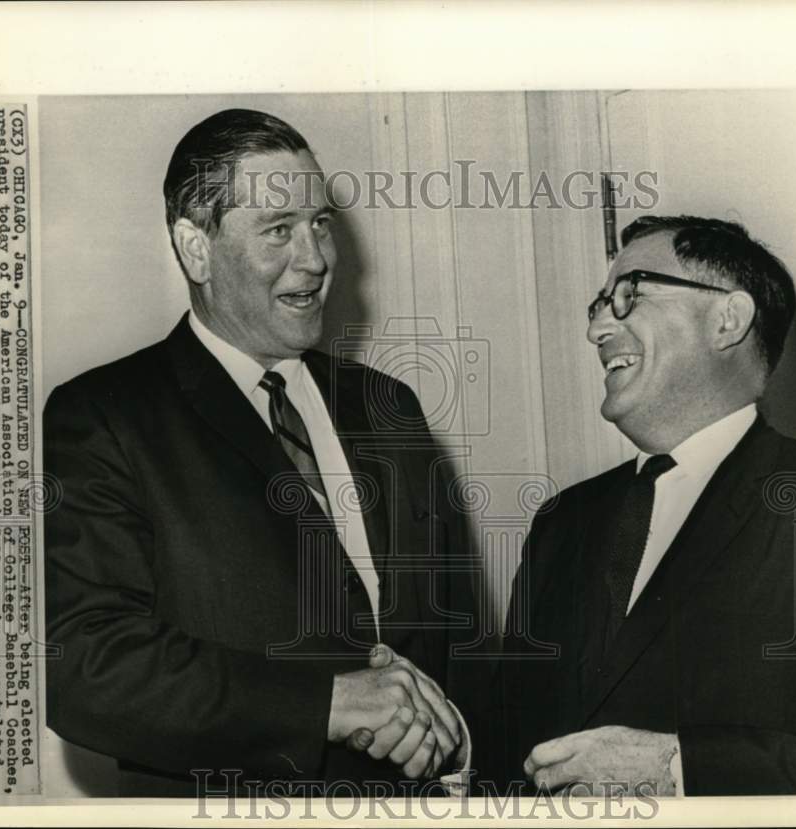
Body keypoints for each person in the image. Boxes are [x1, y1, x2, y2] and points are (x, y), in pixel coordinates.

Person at [43, 109, 475, 796]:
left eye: (321, 224)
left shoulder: (391, 407)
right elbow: (89, 670)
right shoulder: (105, 416)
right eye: (279, 230)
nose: (316, 259)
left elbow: (458, 635)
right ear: (196, 249)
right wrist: (328, 703)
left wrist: (453, 736)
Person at [497, 216, 796, 795]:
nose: (598, 328)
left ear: (726, 320)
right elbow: (513, 740)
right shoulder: (562, 520)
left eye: (629, 293)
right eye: (599, 304)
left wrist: (676, 770)